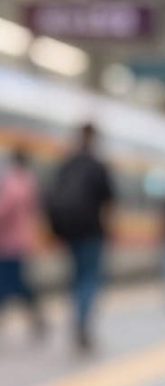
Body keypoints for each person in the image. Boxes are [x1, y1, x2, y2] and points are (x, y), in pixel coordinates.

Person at [47, 123, 114, 350]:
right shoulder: (97, 166)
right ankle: (82, 323)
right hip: (92, 232)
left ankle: (76, 319)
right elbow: (109, 201)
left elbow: (51, 195)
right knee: (89, 279)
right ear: (94, 139)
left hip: (70, 232)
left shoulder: (67, 163)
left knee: (76, 278)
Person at [0, 149, 46, 337]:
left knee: (9, 282)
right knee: (15, 281)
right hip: (22, 240)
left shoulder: (13, 183)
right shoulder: (30, 182)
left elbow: (4, 211)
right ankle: (36, 314)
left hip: (8, 243)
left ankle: (35, 314)